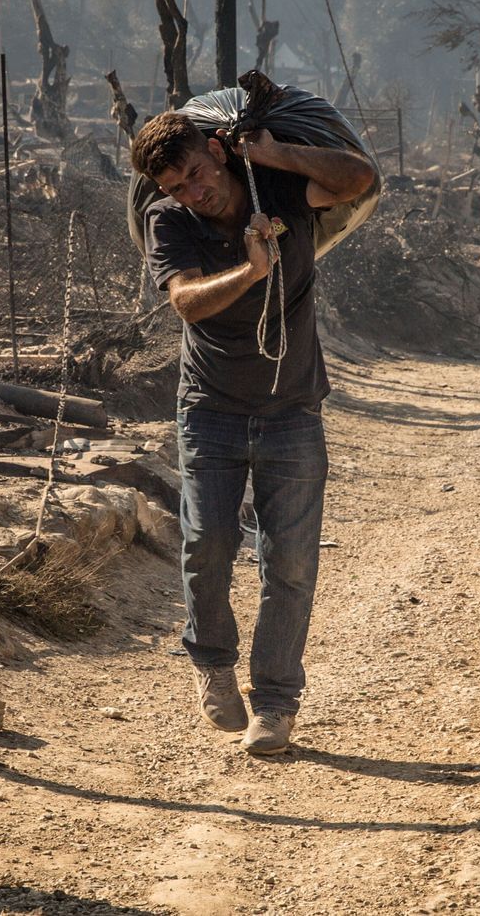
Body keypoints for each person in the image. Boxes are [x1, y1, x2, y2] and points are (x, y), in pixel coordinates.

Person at [132, 108, 376, 755]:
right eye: (177, 186)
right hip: (209, 409)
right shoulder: (168, 221)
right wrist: (252, 269)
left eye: (196, 173)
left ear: (217, 151)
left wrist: (273, 154)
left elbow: (359, 180)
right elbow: (185, 302)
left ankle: (274, 703)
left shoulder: (279, 190)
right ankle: (213, 663)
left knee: (290, 561)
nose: (194, 191)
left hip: (293, 408)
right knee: (207, 543)